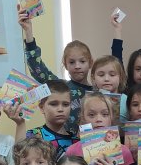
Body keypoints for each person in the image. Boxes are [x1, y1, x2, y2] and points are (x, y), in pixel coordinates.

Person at [19, 9, 92, 141]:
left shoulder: (97, 92)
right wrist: (28, 32)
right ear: (65, 64)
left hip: (90, 145)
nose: (77, 66)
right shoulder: (61, 87)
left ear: (90, 63)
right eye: (72, 62)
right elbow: (37, 67)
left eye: (82, 61)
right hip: (61, 142)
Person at [19, 80, 74, 162]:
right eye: (54, 104)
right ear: (42, 107)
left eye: (65, 104)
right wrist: (19, 123)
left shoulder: (77, 142)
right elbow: (20, 162)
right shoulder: (32, 136)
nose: (60, 109)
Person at [90, 55, 128, 122]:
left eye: (112, 75)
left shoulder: (126, 100)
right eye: (101, 75)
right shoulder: (89, 100)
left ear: (120, 77)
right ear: (93, 78)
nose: (106, 79)